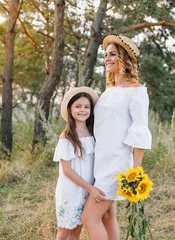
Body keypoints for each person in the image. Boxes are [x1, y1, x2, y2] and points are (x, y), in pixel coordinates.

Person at [82, 35, 152, 240]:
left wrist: (136, 169)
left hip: (117, 164)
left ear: (124, 58)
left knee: (89, 218)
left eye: (113, 54)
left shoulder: (136, 91)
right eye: (106, 55)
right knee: (107, 216)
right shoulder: (109, 91)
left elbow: (140, 129)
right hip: (101, 161)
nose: (107, 59)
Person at [53, 86, 106, 240]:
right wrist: (91, 188)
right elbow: (67, 171)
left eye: (86, 107)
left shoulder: (92, 133)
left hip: (87, 190)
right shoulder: (67, 136)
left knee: (77, 231)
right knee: (64, 232)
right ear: (70, 109)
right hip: (71, 190)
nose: (83, 110)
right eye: (78, 106)